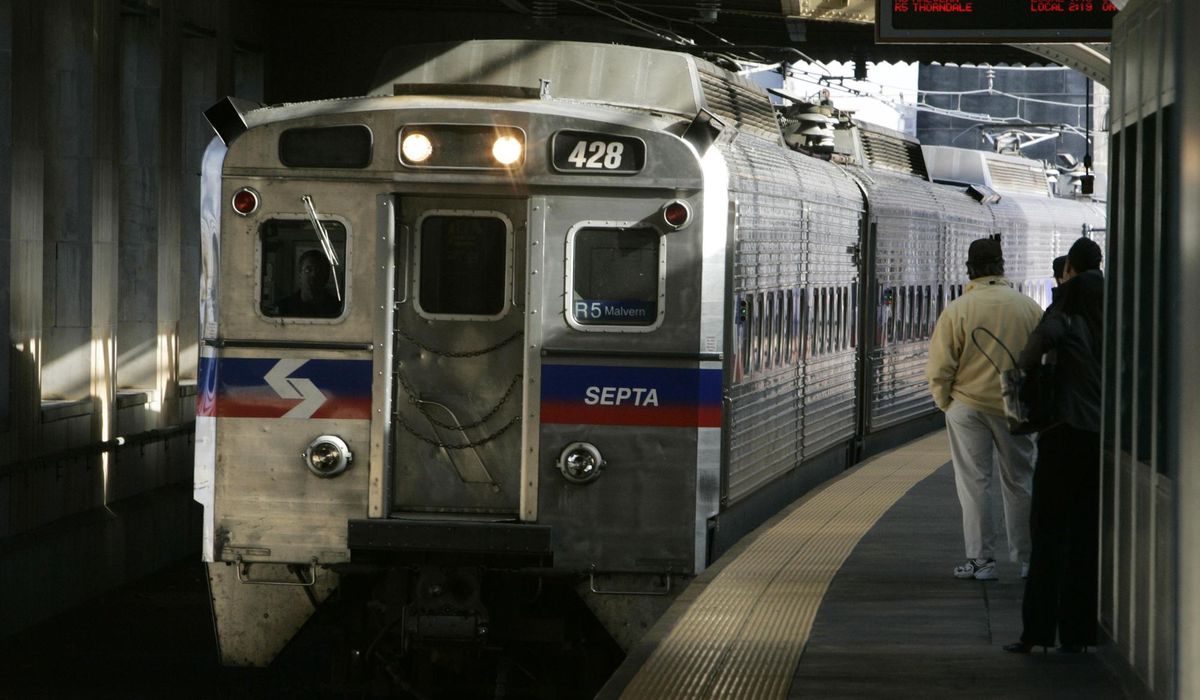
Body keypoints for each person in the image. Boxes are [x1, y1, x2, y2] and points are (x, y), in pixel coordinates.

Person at [1004, 237, 1104, 654]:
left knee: (1049, 534)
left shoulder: (1065, 311)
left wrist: (1020, 381)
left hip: (1063, 434)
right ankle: (1078, 637)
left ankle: (1037, 633)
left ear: (1069, 272)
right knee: (1086, 538)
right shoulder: (1118, 308)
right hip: (1102, 442)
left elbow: (1031, 353)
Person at [927, 237, 1044, 581]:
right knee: (1019, 481)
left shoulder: (959, 309)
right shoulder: (1027, 307)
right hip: (1015, 406)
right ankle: (1026, 560)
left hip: (967, 405)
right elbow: (1042, 358)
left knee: (975, 483)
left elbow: (939, 366)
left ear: (971, 268)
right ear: (1001, 265)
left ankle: (981, 561)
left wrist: (945, 401)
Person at [275, 249, 341, 317]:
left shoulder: (338, 308)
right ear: (299, 274)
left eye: (319, 270)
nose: (314, 274)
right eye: (308, 270)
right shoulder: (285, 307)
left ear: (327, 276)